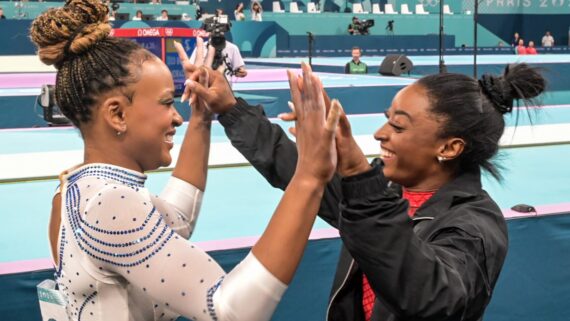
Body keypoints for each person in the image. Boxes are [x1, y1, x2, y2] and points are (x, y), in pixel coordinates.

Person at [29, 1, 341, 320]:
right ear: (117, 114)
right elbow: (227, 311)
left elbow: (177, 219)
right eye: (166, 103)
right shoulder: (108, 204)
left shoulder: (76, 190)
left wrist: (202, 117)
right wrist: (309, 177)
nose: (177, 117)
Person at [186, 56, 546, 320]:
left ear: (449, 148)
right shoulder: (385, 191)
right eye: (387, 118)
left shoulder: (476, 225)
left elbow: (431, 296)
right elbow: (297, 169)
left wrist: (358, 171)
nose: (380, 133)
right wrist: (230, 109)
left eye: (399, 126)